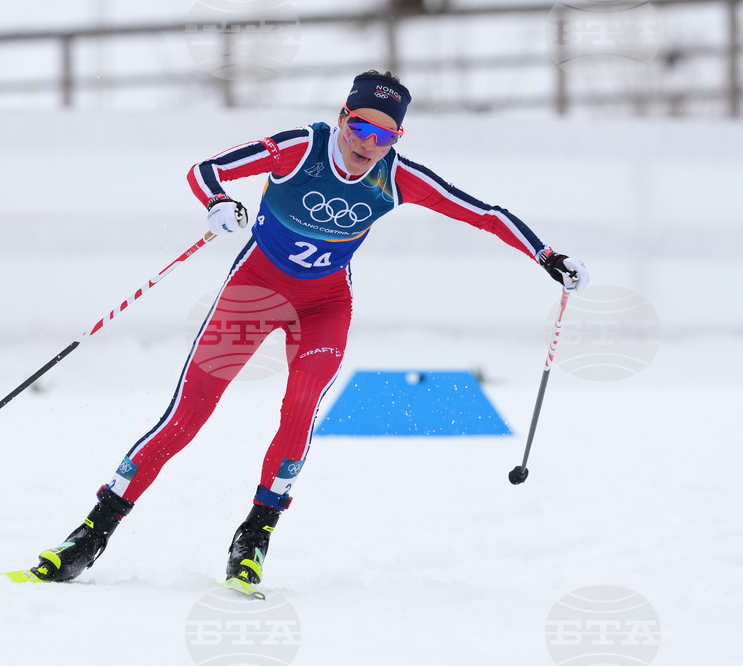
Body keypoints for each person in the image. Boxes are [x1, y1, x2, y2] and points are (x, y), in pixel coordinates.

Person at [29, 70, 589, 594]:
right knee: (188, 414)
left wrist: (547, 256)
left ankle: (254, 537)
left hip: (324, 305)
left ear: (397, 137)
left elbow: (485, 214)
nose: (369, 142)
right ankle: (92, 533)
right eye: (361, 126)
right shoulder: (300, 148)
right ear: (343, 116)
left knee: (299, 408)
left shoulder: (398, 178)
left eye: (385, 134)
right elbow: (206, 170)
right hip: (252, 294)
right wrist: (220, 203)